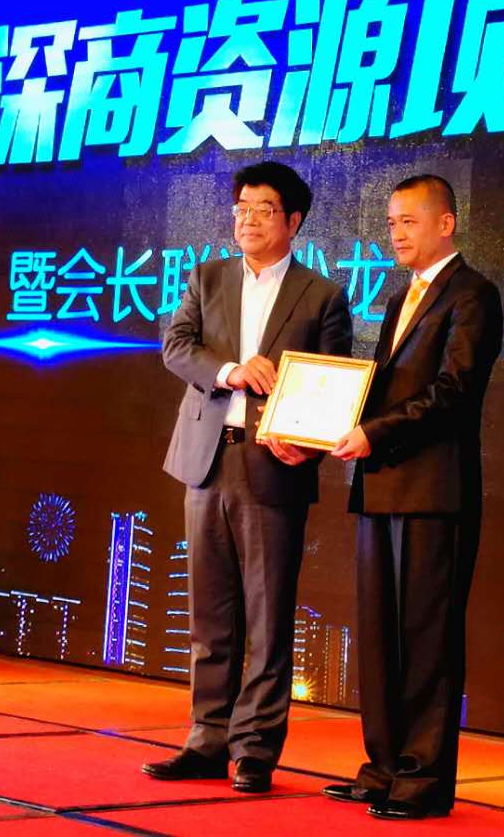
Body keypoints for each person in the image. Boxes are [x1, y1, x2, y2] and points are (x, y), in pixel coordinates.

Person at [145, 161, 353, 794]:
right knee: (209, 616)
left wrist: (309, 446)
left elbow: (333, 382)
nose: (248, 220)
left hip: (274, 467)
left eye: (264, 210)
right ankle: (205, 742)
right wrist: (231, 371)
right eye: (241, 208)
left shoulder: (321, 295)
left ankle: (256, 750)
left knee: (267, 616)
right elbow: (176, 347)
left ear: (293, 221)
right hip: (206, 461)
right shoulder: (206, 277)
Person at [324, 174, 503, 820]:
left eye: (408, 221)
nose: (395, 233)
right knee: (380, 638)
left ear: (445, 224)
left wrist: (373, 433)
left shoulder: (473, 293)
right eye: (391, 222)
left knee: (427, 641)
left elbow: (453, 391)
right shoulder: (402, 295)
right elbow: (385, 387)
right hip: (382, 486)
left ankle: (422, 781)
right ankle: (382, 769)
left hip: (434, 490)